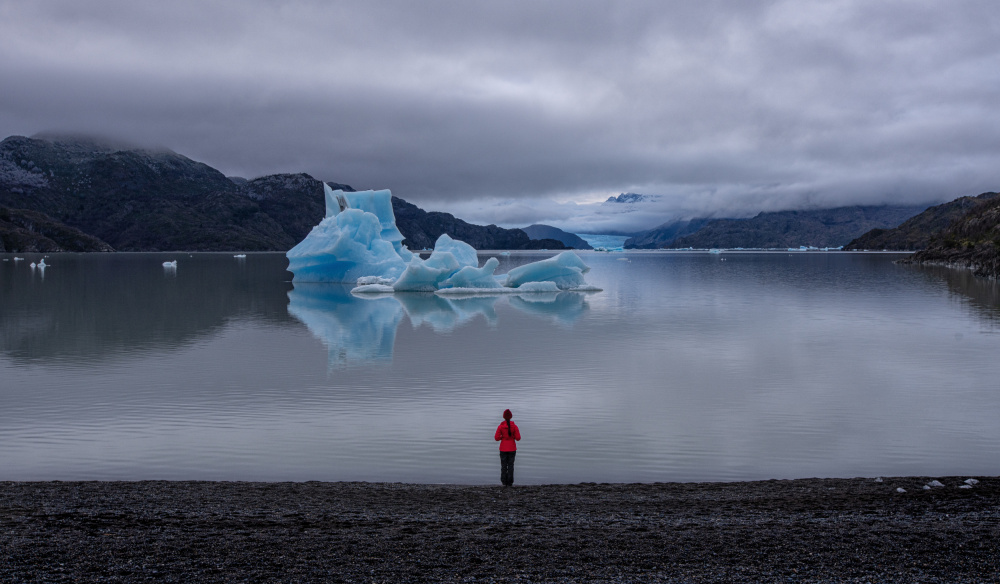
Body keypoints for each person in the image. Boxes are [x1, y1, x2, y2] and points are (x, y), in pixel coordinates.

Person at [494, 409, 521, 486]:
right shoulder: (514, 426)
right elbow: (518, 438)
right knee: (511, 465)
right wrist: (512, 436)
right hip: (512, 448)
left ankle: (503, 482)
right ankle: (510, 482)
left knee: (503, 466)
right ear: (511, 417)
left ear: (504, 417)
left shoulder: (500, 426)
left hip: (503, 449)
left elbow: (496, 438)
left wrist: (502, 437)